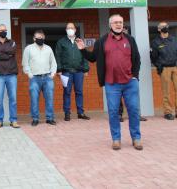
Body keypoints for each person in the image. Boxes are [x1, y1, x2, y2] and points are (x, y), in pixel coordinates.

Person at [76, 14, 143, 151]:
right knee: (113, 112)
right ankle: (116, 139)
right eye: (115, 22)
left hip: (130, 82)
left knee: (134, 111)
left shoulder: (130, 40)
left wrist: (135, 76)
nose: (118, 24)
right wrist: (82, 50)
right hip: (112, 83)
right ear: (110, 24)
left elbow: (137, 59)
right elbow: (93, 58)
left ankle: (136, 138)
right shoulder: (102, 41)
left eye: (120, 22)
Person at [55, 22, 90, 121]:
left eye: (72, 28)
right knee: (67, 92)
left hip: (79, 72)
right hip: (66, 72)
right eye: (68, 28)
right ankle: (67, 113)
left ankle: (81, 113)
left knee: (79, 92)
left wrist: (86, 69)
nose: (70, 29)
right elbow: (58, 56)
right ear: (66, 30)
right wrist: (59, 69)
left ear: (75, 30)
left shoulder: (79, 41)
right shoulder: (61, 42)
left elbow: (85, 55)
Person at [23, 29, 57, 126]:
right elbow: (25, 63)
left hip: (47, 78)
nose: (40, 39)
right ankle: (35, 118)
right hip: (34, 78)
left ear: (44, 38)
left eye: (42, 38)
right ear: (34, 38)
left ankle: (49, 118)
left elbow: (53, 62)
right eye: (38, 38)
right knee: (34, 99)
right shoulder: (28, 49)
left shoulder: (48, 48)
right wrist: (29, 74)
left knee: (49, 99)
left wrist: (52, 74)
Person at [0, 24, 19, 129]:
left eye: (5, 30)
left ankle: (14, 120)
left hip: (11, 74)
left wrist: (1, 51)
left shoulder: (12, 42)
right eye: (1, 30)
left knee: (13, 99)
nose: (4, 31)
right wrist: (7, 54)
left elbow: (12, 52)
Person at [150, 21, 177, 120]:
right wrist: (159, 66)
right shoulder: (155, 42)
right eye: (162, 26)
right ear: (158, 29)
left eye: (166, 26)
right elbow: (153, 57)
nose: (164, 27)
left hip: (175, 67)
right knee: (167, 91)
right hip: (164, 68)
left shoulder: (174, 39)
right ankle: (168, 112)